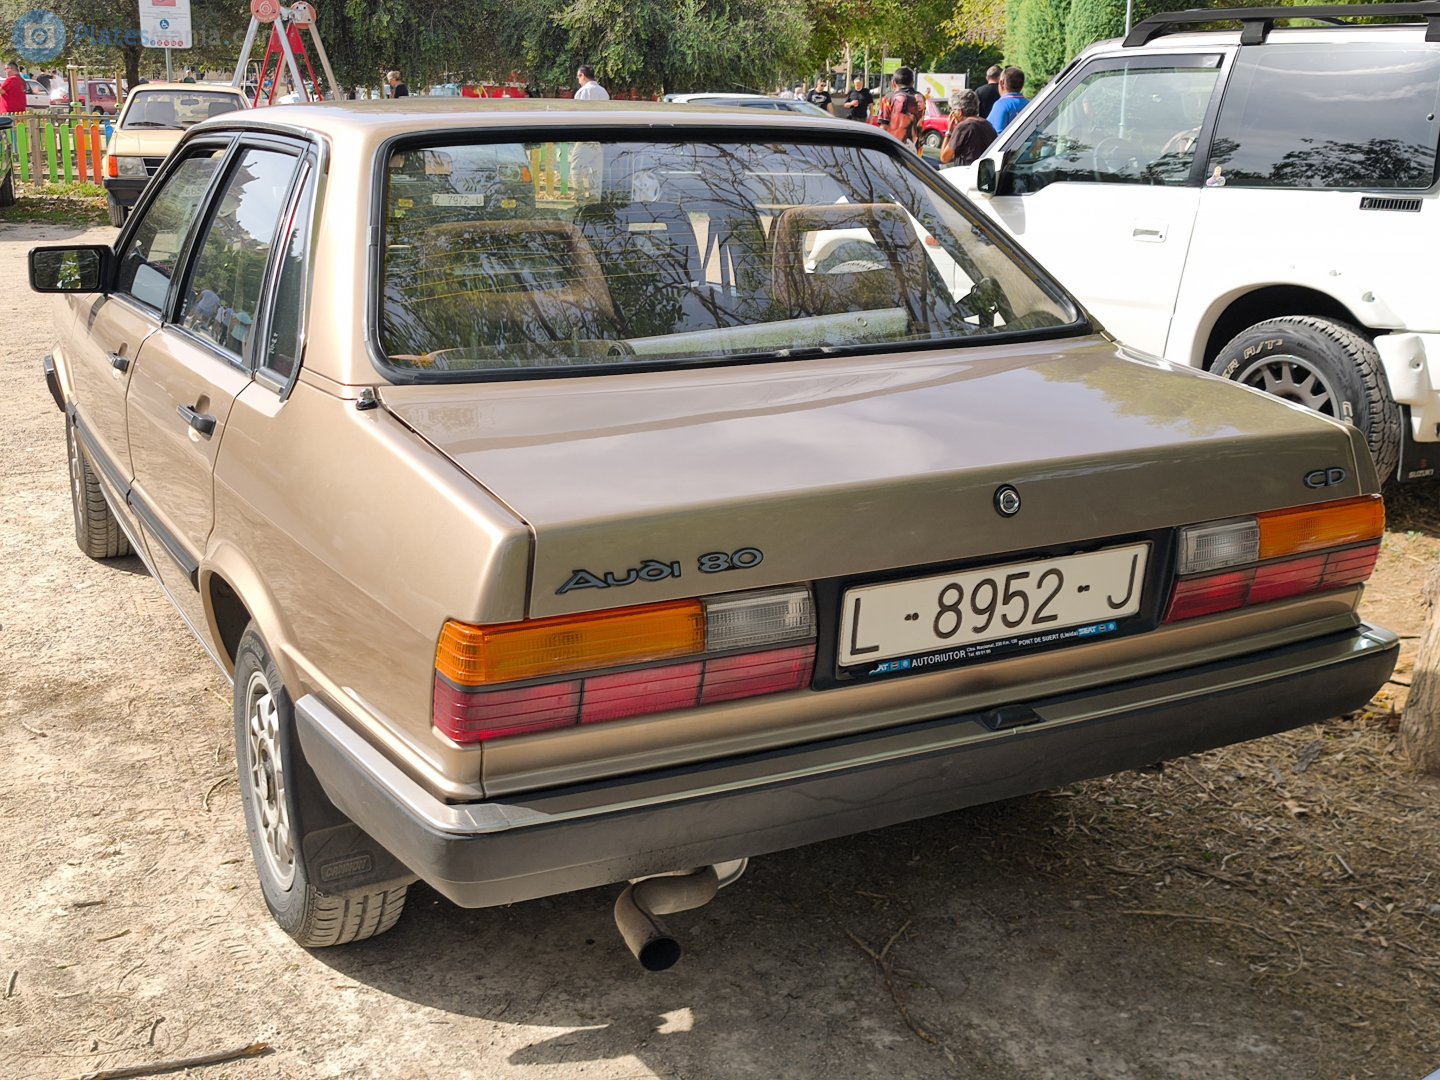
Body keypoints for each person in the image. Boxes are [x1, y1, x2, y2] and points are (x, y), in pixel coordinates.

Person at [940, 88, 997, 168]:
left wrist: (949, 132)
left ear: (959, 112)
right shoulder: (987, 125)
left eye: (953, 110)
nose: (952, 114)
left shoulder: (963, 127)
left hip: (967, 173)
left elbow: (944, 158)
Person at [877, 67, 924, 153]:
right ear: (912, 83)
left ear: (893, 83)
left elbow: (884, 127)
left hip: (893, 150)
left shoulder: (888, 98)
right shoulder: (921, 98)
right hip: (916, 153)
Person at [987, 67, 1029, 134]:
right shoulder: (1029, 104)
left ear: (1001, 83)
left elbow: (998, 134)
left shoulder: (1000, 105)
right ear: (1022, 85)